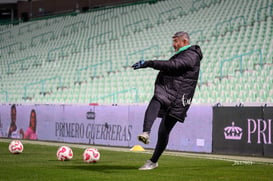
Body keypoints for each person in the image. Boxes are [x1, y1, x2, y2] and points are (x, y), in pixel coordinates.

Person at [132, 31, 203, 170]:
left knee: (163, 131)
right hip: (171, 92)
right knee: (157, 99)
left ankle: (153, 161)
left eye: (176, 41)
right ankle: (146, 133)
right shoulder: (185, 54)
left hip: (179, 99)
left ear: (184, 42)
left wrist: (149, 63)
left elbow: (173, 65)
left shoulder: (191, 55)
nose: (173, 44)